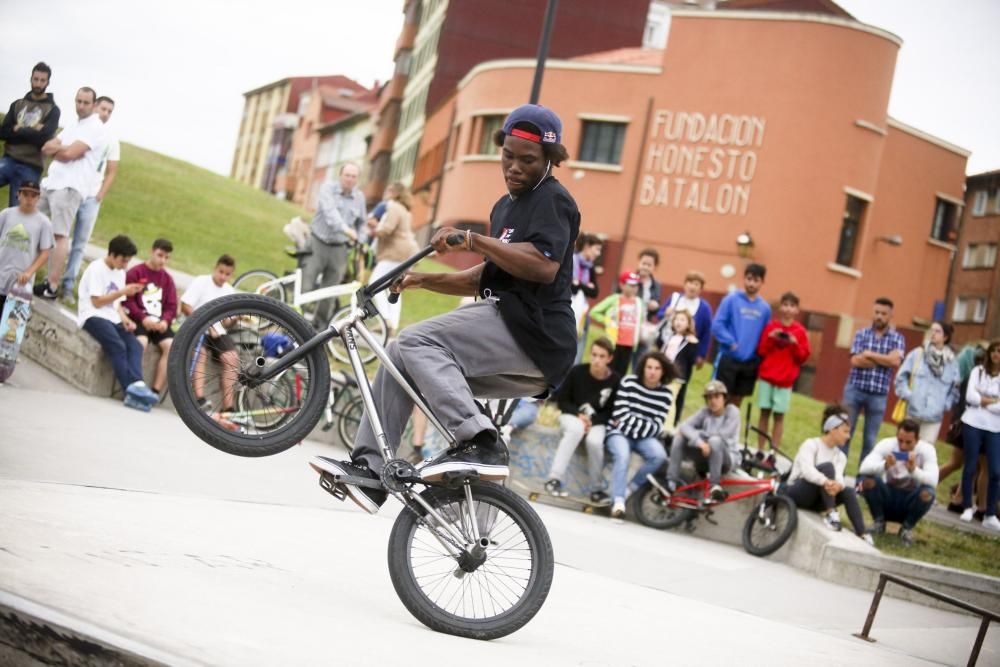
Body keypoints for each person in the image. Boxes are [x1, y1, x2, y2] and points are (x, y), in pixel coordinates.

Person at [309, 104, 580, 515]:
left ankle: (480, 442)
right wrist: (423, 279)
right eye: (508, 156)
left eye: (528, 161)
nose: (514, 167)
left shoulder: (554, 200)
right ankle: (370, 470)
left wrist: (473, 240)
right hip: (509, 332)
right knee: (398, 355)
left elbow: (543, 266)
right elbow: (486, 276)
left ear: (549, 161)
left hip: (535, 333)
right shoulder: (504, 208)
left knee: (415, 341)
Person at [34, 87, 109, 300]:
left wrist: (61, 150)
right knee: (26, 220)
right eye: (78, 101)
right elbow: (47, 147)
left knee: (59, 235)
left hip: (70, 187)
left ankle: (52, 285)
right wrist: (62, 150)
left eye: (86, 102)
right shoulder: (74, 124)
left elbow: (69, 154)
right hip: (51, 182)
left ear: (94, 105)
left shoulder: (95, 127)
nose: (81, 106)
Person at [77, 235, 157, 409]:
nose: (125, 266)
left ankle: (138, 385)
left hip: (112, 317)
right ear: (112, 255)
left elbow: (116, 305)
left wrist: (126, 319)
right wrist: (122, 291)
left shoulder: (120, 273)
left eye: (128, 262)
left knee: (135, 345)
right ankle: (131, 389)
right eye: (123, 260)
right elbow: (96, 302)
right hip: (92, 315)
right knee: (118, 345)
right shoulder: (96, 268)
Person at [544, 337, 620, 503]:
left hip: (597, 422)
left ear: (609, 359)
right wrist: (580, 416)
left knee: (594, 442)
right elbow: (562, 400)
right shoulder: (577, 371)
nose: (597, 360)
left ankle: (596, 490)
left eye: (601, 356)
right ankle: (553, 479)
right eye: (594, 355)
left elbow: (610, 411)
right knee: (576, 430)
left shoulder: (615, 380)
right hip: (572, 416)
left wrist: (592, 421)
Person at [61, 96, 120, 305]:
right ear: (95, 107)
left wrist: (99, 195)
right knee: (60, 236)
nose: (105, 113)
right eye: (103, 108)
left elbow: (112, 170)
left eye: (109, 111)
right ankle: (50, 279)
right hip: (73, 189)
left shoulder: (111, 139)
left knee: (79, 244)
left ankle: (67, 285)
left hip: (91, 197)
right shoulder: (82, 130)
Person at [605, 351, 676, 519]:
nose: (652, 371)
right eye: (649, 367)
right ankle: (618, 501)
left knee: (659, 455)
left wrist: (632, 424)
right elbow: (620, 414)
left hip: (643, 438)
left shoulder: (666, 394)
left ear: (663, 371)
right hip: (619, 434)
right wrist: (641, 424)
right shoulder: (629, 382)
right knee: (623, 455)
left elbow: (657, 426)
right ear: (643, 368)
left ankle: (631, 488)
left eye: (657, 368)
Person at [785, 405, 870, 542]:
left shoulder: (840, 456)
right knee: (827, 467)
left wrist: (838, 486)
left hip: (818, 498)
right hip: (797, 492)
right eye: (845, 431)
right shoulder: (811, 444)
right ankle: (831, 514)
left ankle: (863, 534)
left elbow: (839, 477)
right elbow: (807, 471)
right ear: (832, 429)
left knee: (848, 491)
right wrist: (826, 481)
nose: (849, 436)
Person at [301, 162, 367, 330]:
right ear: (340, 176)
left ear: (357, 179)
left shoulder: (359, 198)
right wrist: (347, 230)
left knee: (330, 291)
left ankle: (319, 328)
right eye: (347, 175)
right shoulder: (327, 188)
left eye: (354, 176)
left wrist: (361, 238)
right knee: (306, 285)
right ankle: (296, 322)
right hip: (317, 242)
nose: (350, 179)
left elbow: (363, 223)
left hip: (340, 248)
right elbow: (330, 214)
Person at [842, 297, 906, 462]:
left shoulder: (897, 338)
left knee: (870, 441)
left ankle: (862, 484)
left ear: (890, 315)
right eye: (877, 312)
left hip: (878, 396)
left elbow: (895, 362)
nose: (879, 316)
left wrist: (870, 355)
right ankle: (837, 477)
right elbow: (855, 361)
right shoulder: (861, 334)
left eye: (883, 313)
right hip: (854, 390)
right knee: (844, 433)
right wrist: (884, 359)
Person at [858, 419, 940, 546]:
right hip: (887, 497)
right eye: (900, 440)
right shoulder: (887, 444)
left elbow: (933, 481)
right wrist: (884, 465)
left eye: (908, 442)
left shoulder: (927, 450)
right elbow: (863, 468)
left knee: (928, 492)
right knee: (867, 480)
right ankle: (879, 522)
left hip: (909, 500)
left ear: (918, 440)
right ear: (897, 436)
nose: (903, 446)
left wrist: (914, 470)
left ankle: (906, 528)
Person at [180, 255, 239, 413]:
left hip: (218, 332)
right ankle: (199, 398)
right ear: (215, 267)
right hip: (198, 327)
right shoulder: (201, 281)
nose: (223, 277)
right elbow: (185, 306)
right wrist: (206, 323)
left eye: (227, 274)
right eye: (221, 272)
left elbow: (226, 323)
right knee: (201, 354)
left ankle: (229, 408)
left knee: (232, 358)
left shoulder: (229, 290)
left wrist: (235, 319)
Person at [665, 380, 741, 503]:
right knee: (679, 438)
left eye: (717, 397)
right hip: (705, 456)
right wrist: (700, 443)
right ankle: (671, 481)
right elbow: (684, 426)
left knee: (715, 441)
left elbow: (722, 435)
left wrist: (697, 436)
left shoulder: (732, 412)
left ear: (725, 398)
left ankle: (714, 486)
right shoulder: (705, 412)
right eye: (709, 398)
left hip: (725, 460)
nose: (713, 401)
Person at [756, 291, 811, 452]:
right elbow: (761, 351)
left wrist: (794, 343)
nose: (788, 309)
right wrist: (771, 338)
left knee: (779, 416)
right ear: (780, 307)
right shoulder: (771, 327)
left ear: (797, 310)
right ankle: (760, 449)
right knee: (764, 413)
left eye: (792, 306)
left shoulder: (800, 332)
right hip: (767, 377)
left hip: (785, 380)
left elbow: (802, 357)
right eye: (785, 305)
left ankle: (773, 451)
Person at [124, 239, 178, 401]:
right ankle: (135, 386)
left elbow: (171, 305)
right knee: (141, 343)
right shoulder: (136, 272)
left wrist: (165, 321)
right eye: (160, 255)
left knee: (172, 347)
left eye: (166, 257)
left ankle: (154, 392)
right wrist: (142, 317)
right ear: (151, 251)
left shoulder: (167, 279)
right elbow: (127, 300)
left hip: (159, 322)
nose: (162, 260)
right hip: (139, 319)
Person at [0, 63, 60, 207]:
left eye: (42, 80)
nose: (38, 83)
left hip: (31, 166)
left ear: (48, 82)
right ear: (31, 78)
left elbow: (43, 139)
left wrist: (18, 129)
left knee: (19, 214)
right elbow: (3, 132)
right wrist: (34, 130)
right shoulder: (18, 104)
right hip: (8, 160)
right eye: (35, 79)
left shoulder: (53, 110)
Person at [711, 263, 770, 406]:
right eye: (749, 279)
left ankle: (731, 426)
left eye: (756, 280)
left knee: (738, 400)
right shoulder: (731, 300)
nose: (751, 283)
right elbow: (717, 325)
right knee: (720, 397)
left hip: (750, 361)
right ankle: (715, 427)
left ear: (762, 282)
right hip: (729, 358)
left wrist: (759, 356)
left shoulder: (765, 308)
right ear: (744, 279)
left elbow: (765, 335)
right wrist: (730, 343)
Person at [957, 340, 1000, 530]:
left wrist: (982, 400)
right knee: (971, 465)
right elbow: (970, 397)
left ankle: (990, 513)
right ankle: (967, 506)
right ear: (990, 353)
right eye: (995, 351)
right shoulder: (978, 371)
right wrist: (992, 400)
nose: (997, 354)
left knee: (995, 471)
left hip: (994, 428)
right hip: (972, 422)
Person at [894, 321, 959, 444]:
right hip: (912, 412)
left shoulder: (952, 363)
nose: (933, 334)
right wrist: (909, 395)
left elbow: (955, 389)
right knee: (904, 447)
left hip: (933, 417)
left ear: (945, 337)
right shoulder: (917, 354)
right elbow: (901, 377)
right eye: (931, 330)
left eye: (937, 331)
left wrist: (945, 405)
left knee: (924, 452)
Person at [367, 182, 418, 336]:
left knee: (374, 284)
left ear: (396, 193)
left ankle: (385, 320)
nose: (387, 192)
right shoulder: (406, 211)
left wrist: (374, 231)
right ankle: (393, 326)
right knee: (396, 289)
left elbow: (388, 228)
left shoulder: (394, 207)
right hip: (406, 254)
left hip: (393, 252)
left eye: (389, 190)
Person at [0, 181, 54, 315]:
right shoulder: (6, 214)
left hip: (20, 285)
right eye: (25, 194)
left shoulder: (44, 222)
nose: (29, 199)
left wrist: (29, 272)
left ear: (38, 198)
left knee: (10, 330)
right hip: (1, 274)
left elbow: (45, 252)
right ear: (18, 194)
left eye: (33, 196)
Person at [589, 271, 645, 376]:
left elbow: (640, 320)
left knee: (622, 372)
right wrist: (608, 320)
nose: (634, 288)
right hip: (615, 342)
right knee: (610, 369)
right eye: (631, 285)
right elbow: (594, 312)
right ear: (622, 285)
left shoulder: (639, 302)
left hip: (629, 343)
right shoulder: (614, 299)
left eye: (636, 285)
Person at [656, 270, 713, 368]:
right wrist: (665, 313)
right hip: (666, 343)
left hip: (686, 350)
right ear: (685, 284)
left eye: (696, 284)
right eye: (690, 282)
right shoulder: (675, 298)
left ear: (701, 289)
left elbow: (706, 333)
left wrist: (701, 355)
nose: (692, 286)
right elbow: (659, 315)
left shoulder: (704, 308)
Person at [654, 309, 699, 424]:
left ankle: (669, 426)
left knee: (670, 400)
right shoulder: (671, 337)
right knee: (660, 398)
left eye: (682, 320)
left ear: (689, 324)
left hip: (677, 376)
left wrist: (693, 343)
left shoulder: (689, 341)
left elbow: (691, 360)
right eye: (677, 319)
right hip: (664, 373)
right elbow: (659, 344)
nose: (679, 322)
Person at [571, 233, 603, 361]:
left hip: (583, 312)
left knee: (580, 344)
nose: (599, 253)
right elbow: (571, 287)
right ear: (587, 246)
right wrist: (586, 286)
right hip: (568, 307)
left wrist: (580, 284)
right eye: (597, 249)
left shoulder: (590, 269)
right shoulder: (571, 260)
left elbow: (595, 292)